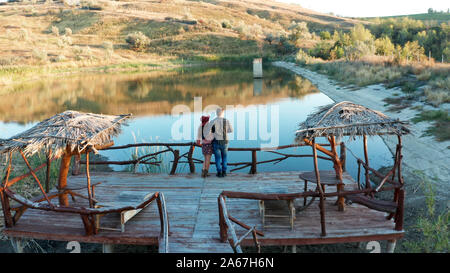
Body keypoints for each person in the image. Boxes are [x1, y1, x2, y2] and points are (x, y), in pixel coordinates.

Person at [210, 107, 233, 177]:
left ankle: (219, 172)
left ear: (216, 113)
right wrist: (225, 131)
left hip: (216, 142)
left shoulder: (212, 121)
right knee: (224, 157)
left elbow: (210, 132)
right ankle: (224, 172)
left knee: (217, 158)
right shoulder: (226, 121)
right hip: (225, 142)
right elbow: (231, 130)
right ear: (223, 113)